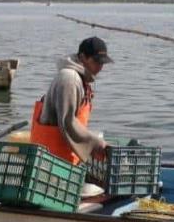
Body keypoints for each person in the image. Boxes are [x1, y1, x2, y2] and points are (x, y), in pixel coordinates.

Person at [29, 37, 112, 165]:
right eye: (96, 61)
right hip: (50, 160)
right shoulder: (70, 79)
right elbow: (67, 121)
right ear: (83, 57)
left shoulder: (81, 79)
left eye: (102, 63)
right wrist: (95, 144)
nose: (100, 67)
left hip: (63, 156)